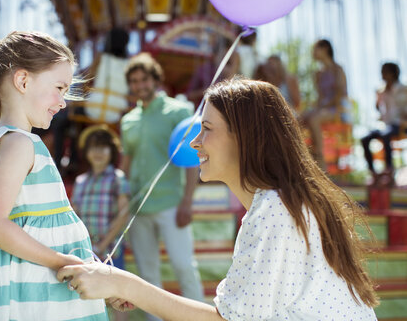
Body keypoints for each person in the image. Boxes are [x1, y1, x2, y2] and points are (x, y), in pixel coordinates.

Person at [58, 78, 379, 321]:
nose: (195, 142)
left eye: (206, 129)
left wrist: (123, 285)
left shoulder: (276, 210)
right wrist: (124, 286)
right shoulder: (280, 204)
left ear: (245, 137)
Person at [0, 31, 108, 320]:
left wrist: (98, 277)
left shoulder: (21, 142)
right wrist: (62, 262)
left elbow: (57, 228)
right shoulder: (18, 143)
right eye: (60, 87)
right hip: (40, 297)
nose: (63, 102)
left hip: (49, 292)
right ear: (23, 81)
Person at [119, 52, 204, 320]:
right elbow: (125, 164)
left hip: (171, 204)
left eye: (144, 79)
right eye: (133, 81)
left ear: (155, 79)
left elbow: (192, 161)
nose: (139, 85)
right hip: (138, 208)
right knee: (147, 275)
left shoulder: (178, 111)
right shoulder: (127, 120)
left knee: (183, 267)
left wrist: (187, 202)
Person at [71, 124, 130, 321]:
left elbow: (123, 214)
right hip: (86, 252)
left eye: (103, 147)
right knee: (88, 297)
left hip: (111, 250)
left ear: (111, 152)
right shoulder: (81, 181)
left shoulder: (117, 178)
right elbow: (74, 215)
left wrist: (103, 245)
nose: (98, 152)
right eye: (93, 147)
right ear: (86, 152)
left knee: (117, 298)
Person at [300, 39, 350, 169]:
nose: (313, 52)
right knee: (298, 119)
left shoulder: (337, 69)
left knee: (314, 119)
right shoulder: (318, 74)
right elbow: (320, 97)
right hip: (323, 109)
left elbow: (339, 95)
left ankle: (320, 158)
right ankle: (303, 156)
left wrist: (321, 107)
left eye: (316, 49)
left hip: (338, 109)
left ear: (325, 49)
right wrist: (315, 108)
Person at [361, 62, 407, 186]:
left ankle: (389, 169)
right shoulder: (381, 91)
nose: (382, 75)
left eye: (384, 72)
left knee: (386, 134)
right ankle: (373, 172)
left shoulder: (403, 89)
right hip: (385, 125)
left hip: (400, 125)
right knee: (365, 138)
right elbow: (378, 109)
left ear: (392, 74)